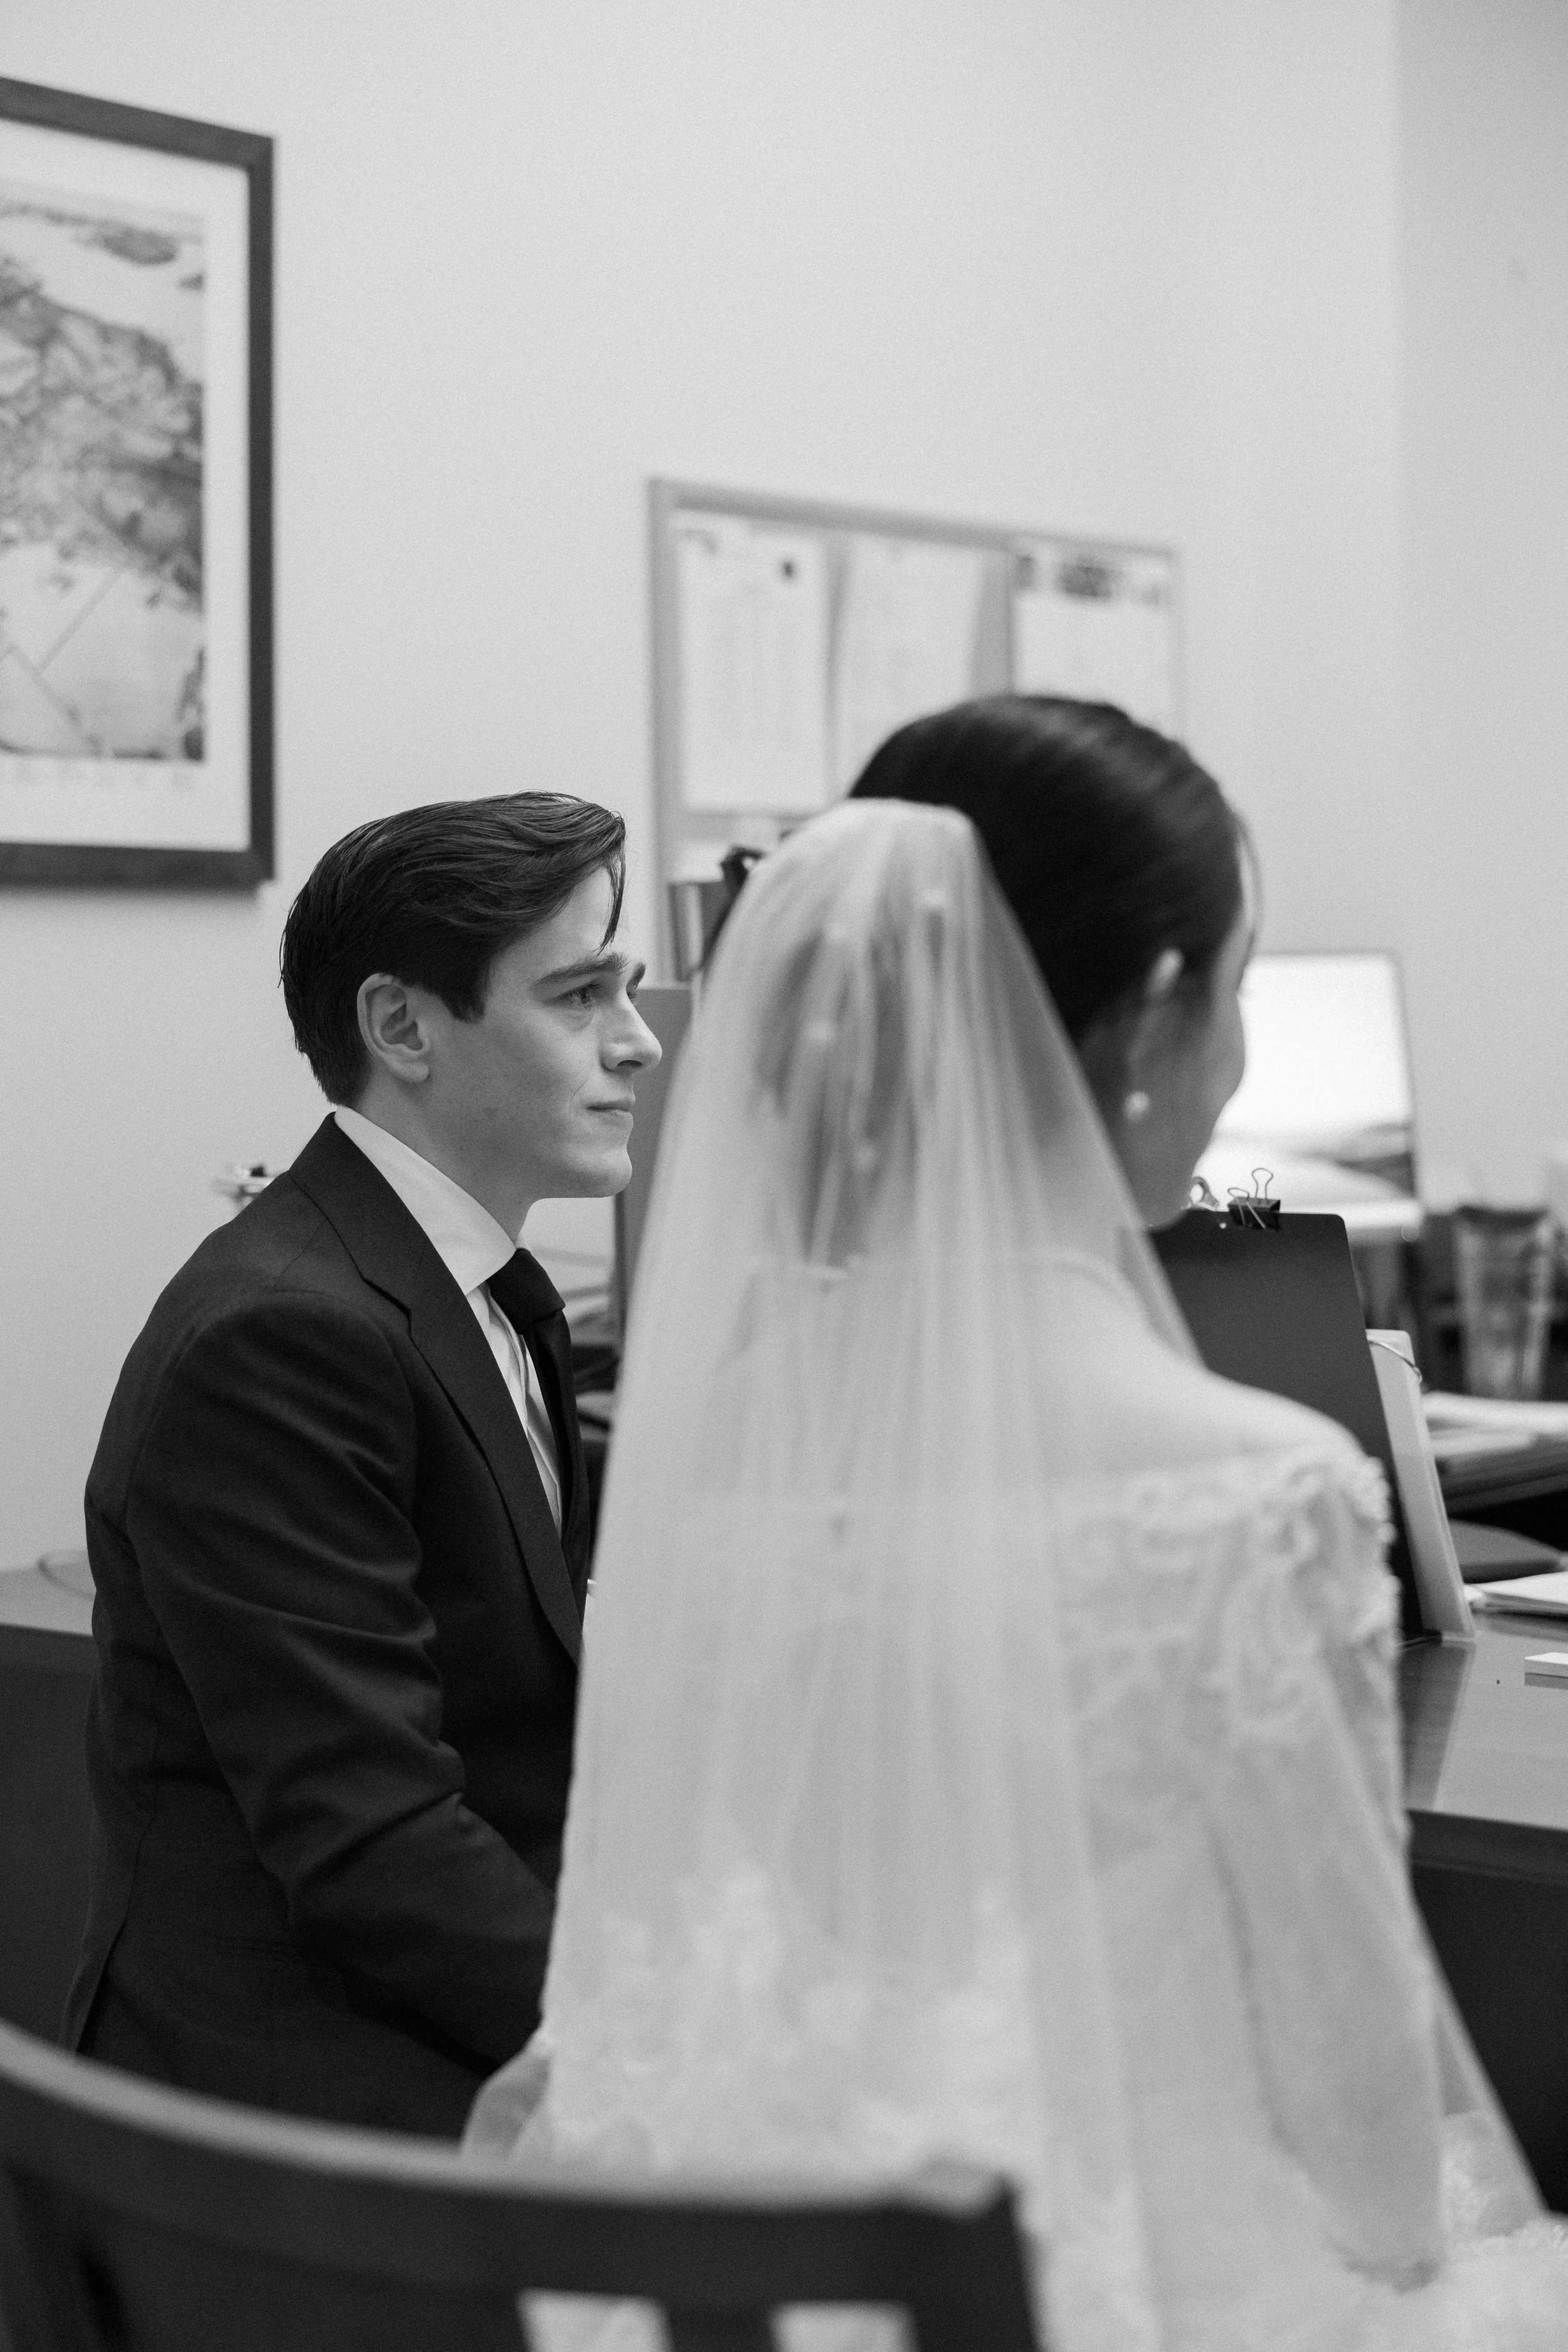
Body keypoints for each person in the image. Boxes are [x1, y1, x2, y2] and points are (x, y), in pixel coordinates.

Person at [468, 729, 1568, 2348]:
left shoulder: (724, 1432)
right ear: (1154, 1012)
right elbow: (1368, 2140)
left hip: (777, 2286)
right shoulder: (1256, 1491)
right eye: (1239, 983)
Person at [65, 791, 660, 2137]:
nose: (636, 1041)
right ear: (402, 1028)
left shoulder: (477, 1286)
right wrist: (651, 2047)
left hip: (435, 2005)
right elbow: (368, 1834)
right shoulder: (285, 1333)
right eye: (577, 996)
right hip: (290, 2104)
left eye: (624, 988)